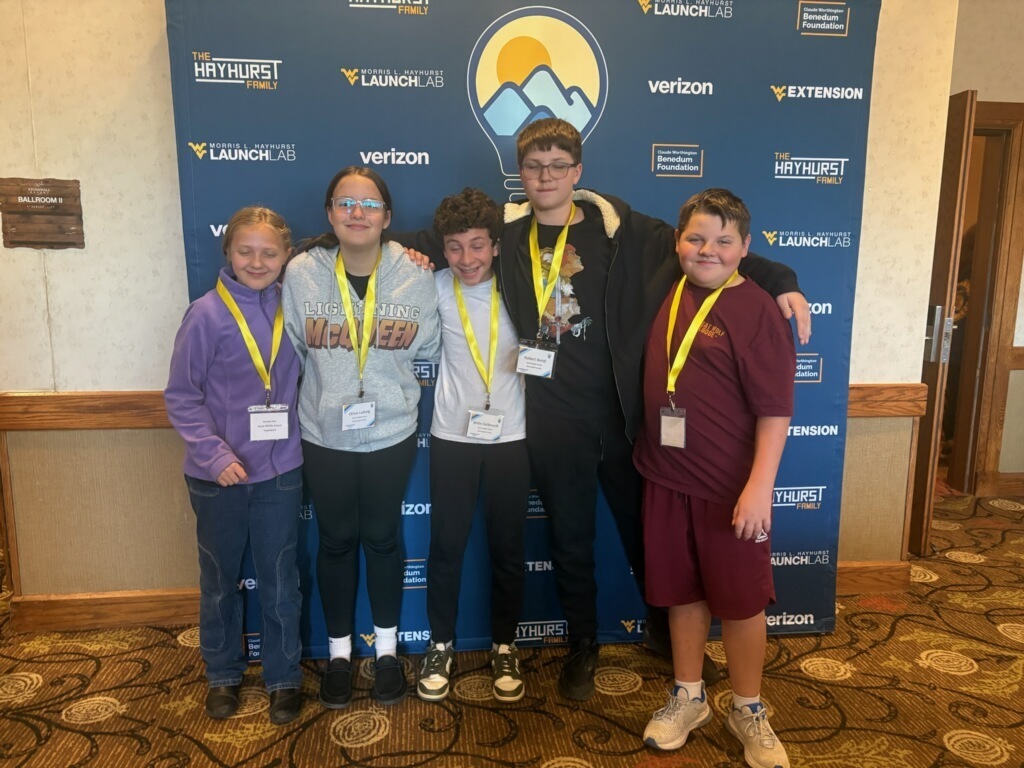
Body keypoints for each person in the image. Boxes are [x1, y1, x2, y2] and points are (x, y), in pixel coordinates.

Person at [636, 189, 794, 768]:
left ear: (745, 249)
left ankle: (749, 706)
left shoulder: (756, 310)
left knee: (743, 601)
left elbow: (776, 409)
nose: (708, 250)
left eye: (724, 241)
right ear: (679, 241)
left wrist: (761, 487)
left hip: (731, 488)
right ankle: (690, 694)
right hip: (666, 475)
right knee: (683, 592)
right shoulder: (668, 286)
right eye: (696, 238)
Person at [281, 166, 440, 709]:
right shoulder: (301, 273)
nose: (356, 212)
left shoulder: (416, 275)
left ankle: (389, 652)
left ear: (387, 218)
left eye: (368, 204)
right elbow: (294, 356)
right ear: (329, 213)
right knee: (335, 541)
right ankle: (342, 654)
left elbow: (427, 351)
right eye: (345, 202)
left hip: (391, 432)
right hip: (324, 435)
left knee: (382, 538)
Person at [165, 206, 304, 725]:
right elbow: (181, 396)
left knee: (279, 579)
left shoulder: (296, 305)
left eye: (269, 252)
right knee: (220, 579)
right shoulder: (205, 314)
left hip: (280, 471)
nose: (257, 260)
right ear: (228, 252)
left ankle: (284, 677)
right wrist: (213, 454)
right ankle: (222, 673)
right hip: (216, 476)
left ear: (287, 256)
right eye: (246, 250)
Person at [416, 189, 530, 703]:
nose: (467, 259)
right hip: (452, 438)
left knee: (508, 549)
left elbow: (561, 332)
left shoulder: (523, 289)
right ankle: (440, 643)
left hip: (513, 438)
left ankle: (505, 644)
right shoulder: (434, 286)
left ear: (497, 246)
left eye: (478, 246)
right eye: (456, 247)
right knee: (447, 547)